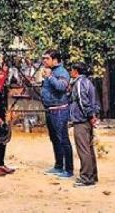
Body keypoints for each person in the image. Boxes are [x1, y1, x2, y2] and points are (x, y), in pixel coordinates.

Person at [41, 49, 74, 178]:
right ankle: (59, 166)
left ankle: (69, 169)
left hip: (59, 110)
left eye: (47, 58)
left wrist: (49, 77)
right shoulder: (51, 71)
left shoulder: (61, 72)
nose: (44, 61)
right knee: (54, 139)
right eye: (43, 58)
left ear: (55, 60)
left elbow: (61, 87)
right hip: (50, 109)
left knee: (63, 140)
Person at [69, 62, 100, 187]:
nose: (70, 72)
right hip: (87, 119)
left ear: (76, 71)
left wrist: (90, 116)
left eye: (71, 70)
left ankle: (86, 178)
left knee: (83, 149)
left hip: (82, 120)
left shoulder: (79, 83)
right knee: (89, 148)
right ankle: (92, 175)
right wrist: (93, 115)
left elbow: (83, 102)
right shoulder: (88, 82)